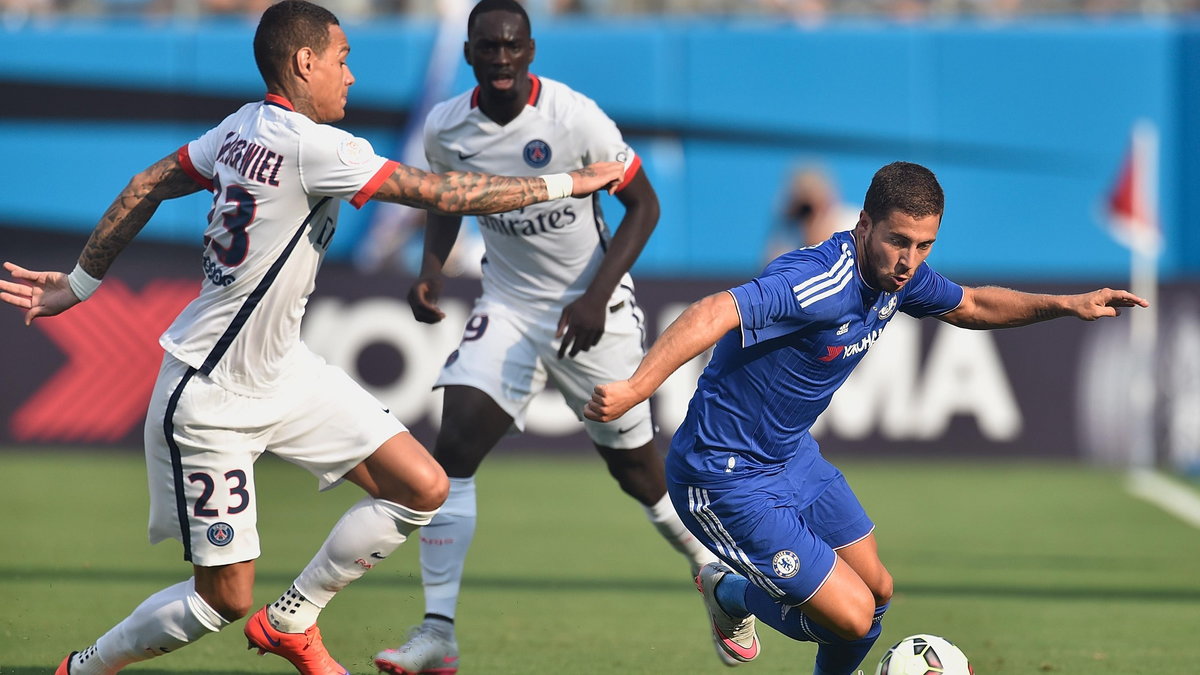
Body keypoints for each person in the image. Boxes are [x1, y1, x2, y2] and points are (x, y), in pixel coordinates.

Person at [0, 3, 623, 674]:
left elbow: (146, 183)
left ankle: (294, 617)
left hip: (284, 373)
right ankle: (82, 668)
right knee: (222, 599)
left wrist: (79, 285)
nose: (351, 77)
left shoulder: (240, 127)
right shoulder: (315, 146)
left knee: (422, 485)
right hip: (212, 398)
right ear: (305, 63)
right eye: (343, 58)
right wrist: (568, 181)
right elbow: (447, 194)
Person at [584, 161, 1148, 675]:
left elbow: (972, 305)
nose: (909, 262)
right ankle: (726, 592)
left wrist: (1066, 304)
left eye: (924, 246)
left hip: (789, 456)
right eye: (898, 241)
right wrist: (637, 387)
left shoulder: (900, 277)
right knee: (853, 620)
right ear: (864, 224)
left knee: (877, 591)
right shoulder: (819, 279)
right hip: (723, 474)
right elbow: (713, 311)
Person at [372, 1, 719, 672]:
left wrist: (594, 294)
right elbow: (449, 201)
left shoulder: (575, 118)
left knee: (637, 471)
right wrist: (429, 272)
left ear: (531, 51)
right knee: (454, 449)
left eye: (512, 46)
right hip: (507, 305)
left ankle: (710, 571)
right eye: (487, 47)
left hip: (597, 312)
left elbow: (644, 204)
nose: (501, 58)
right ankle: (437, 631)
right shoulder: (447, 127)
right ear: (469, 53)